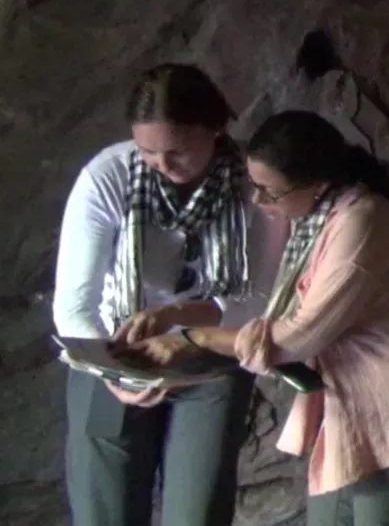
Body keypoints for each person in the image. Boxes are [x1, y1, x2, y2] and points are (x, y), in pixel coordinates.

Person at [117, 110, 389, 526]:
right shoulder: (317, 219)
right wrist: (176, 314)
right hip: (346, 411)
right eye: (254, 187)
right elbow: (272, 314)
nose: (259, 202)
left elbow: (296, 338)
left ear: (316, 185)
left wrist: (193, 338)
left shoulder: (362, 222)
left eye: (269, 192)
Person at [51, 62, 286, 526]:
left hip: (210, 356)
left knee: (195, 512)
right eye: (147, 151)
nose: (162, 164)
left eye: (177, 151)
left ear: (214, 130)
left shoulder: (251, 183)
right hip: (113, 351)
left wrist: (182, 316)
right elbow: (73, 303)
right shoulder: (108, 176)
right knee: (105, 512)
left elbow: (263, 297)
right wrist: (110, 368)